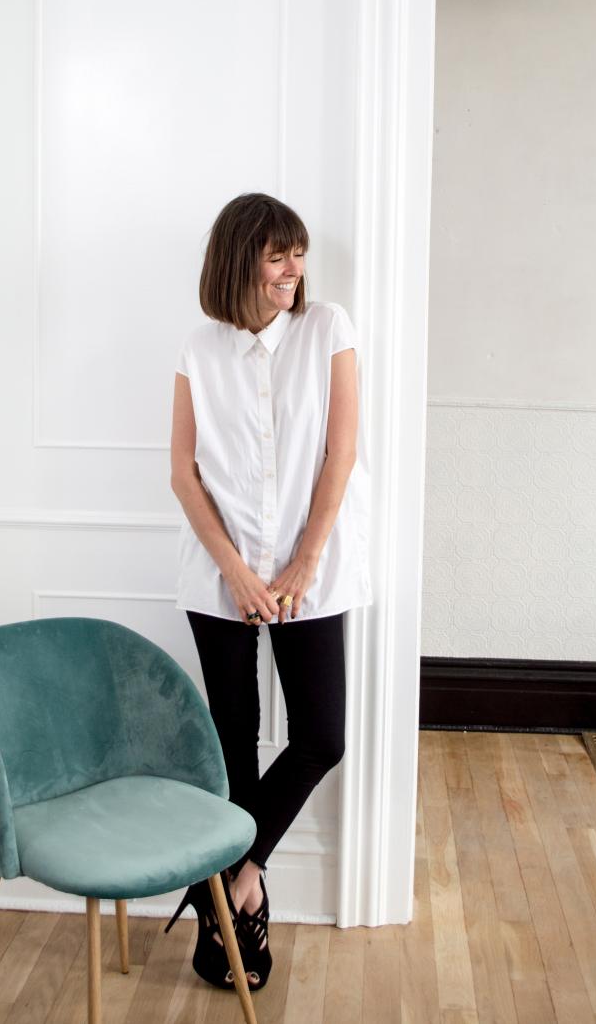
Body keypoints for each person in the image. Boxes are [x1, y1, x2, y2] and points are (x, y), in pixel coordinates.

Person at [165, 192, 372, 991]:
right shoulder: (199, 346)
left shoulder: (328, 329)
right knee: (232, 740)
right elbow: (181, 472)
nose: (294, 270)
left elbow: (340, 454)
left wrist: (298, 565)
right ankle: (234, 914)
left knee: (321, 733)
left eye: (298, 254)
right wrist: (240, 572)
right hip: (218, 570)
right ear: (238, 260)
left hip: (311, 572)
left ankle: (230, 877)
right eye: (277, 254)